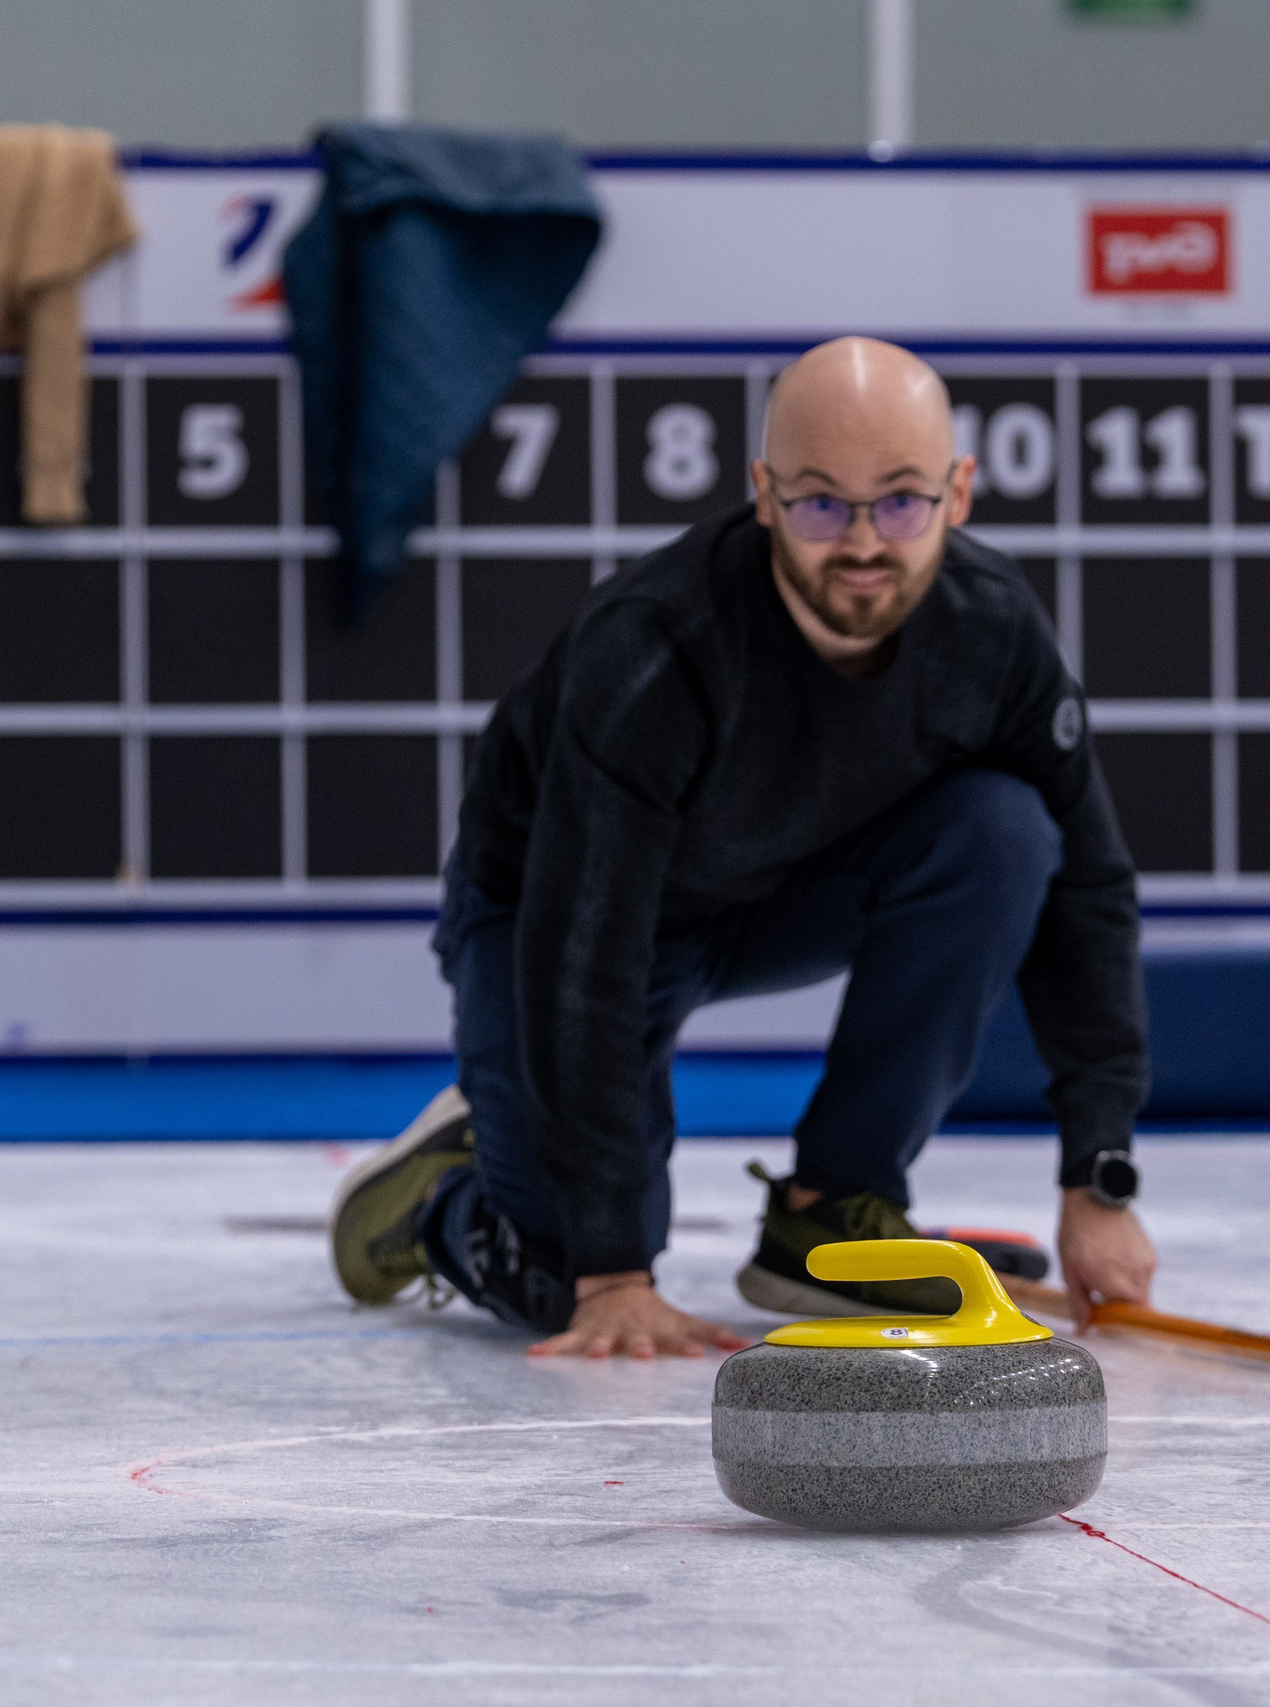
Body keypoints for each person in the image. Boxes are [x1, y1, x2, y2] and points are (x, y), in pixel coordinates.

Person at [330, 336, 1156, 1358]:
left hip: (771, 893)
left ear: (960, 492)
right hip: (548, 917)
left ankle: (830, 1212)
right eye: (820, 503)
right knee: (557, 1281)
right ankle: (442, 1200)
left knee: (1007, 829)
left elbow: (1089, 893)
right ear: (763, 495)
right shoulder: (654, 646)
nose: (862, 542)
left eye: (900, 500)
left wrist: (1098, 1174)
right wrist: (613, 1271)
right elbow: (584, 951)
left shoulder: (993, 631)